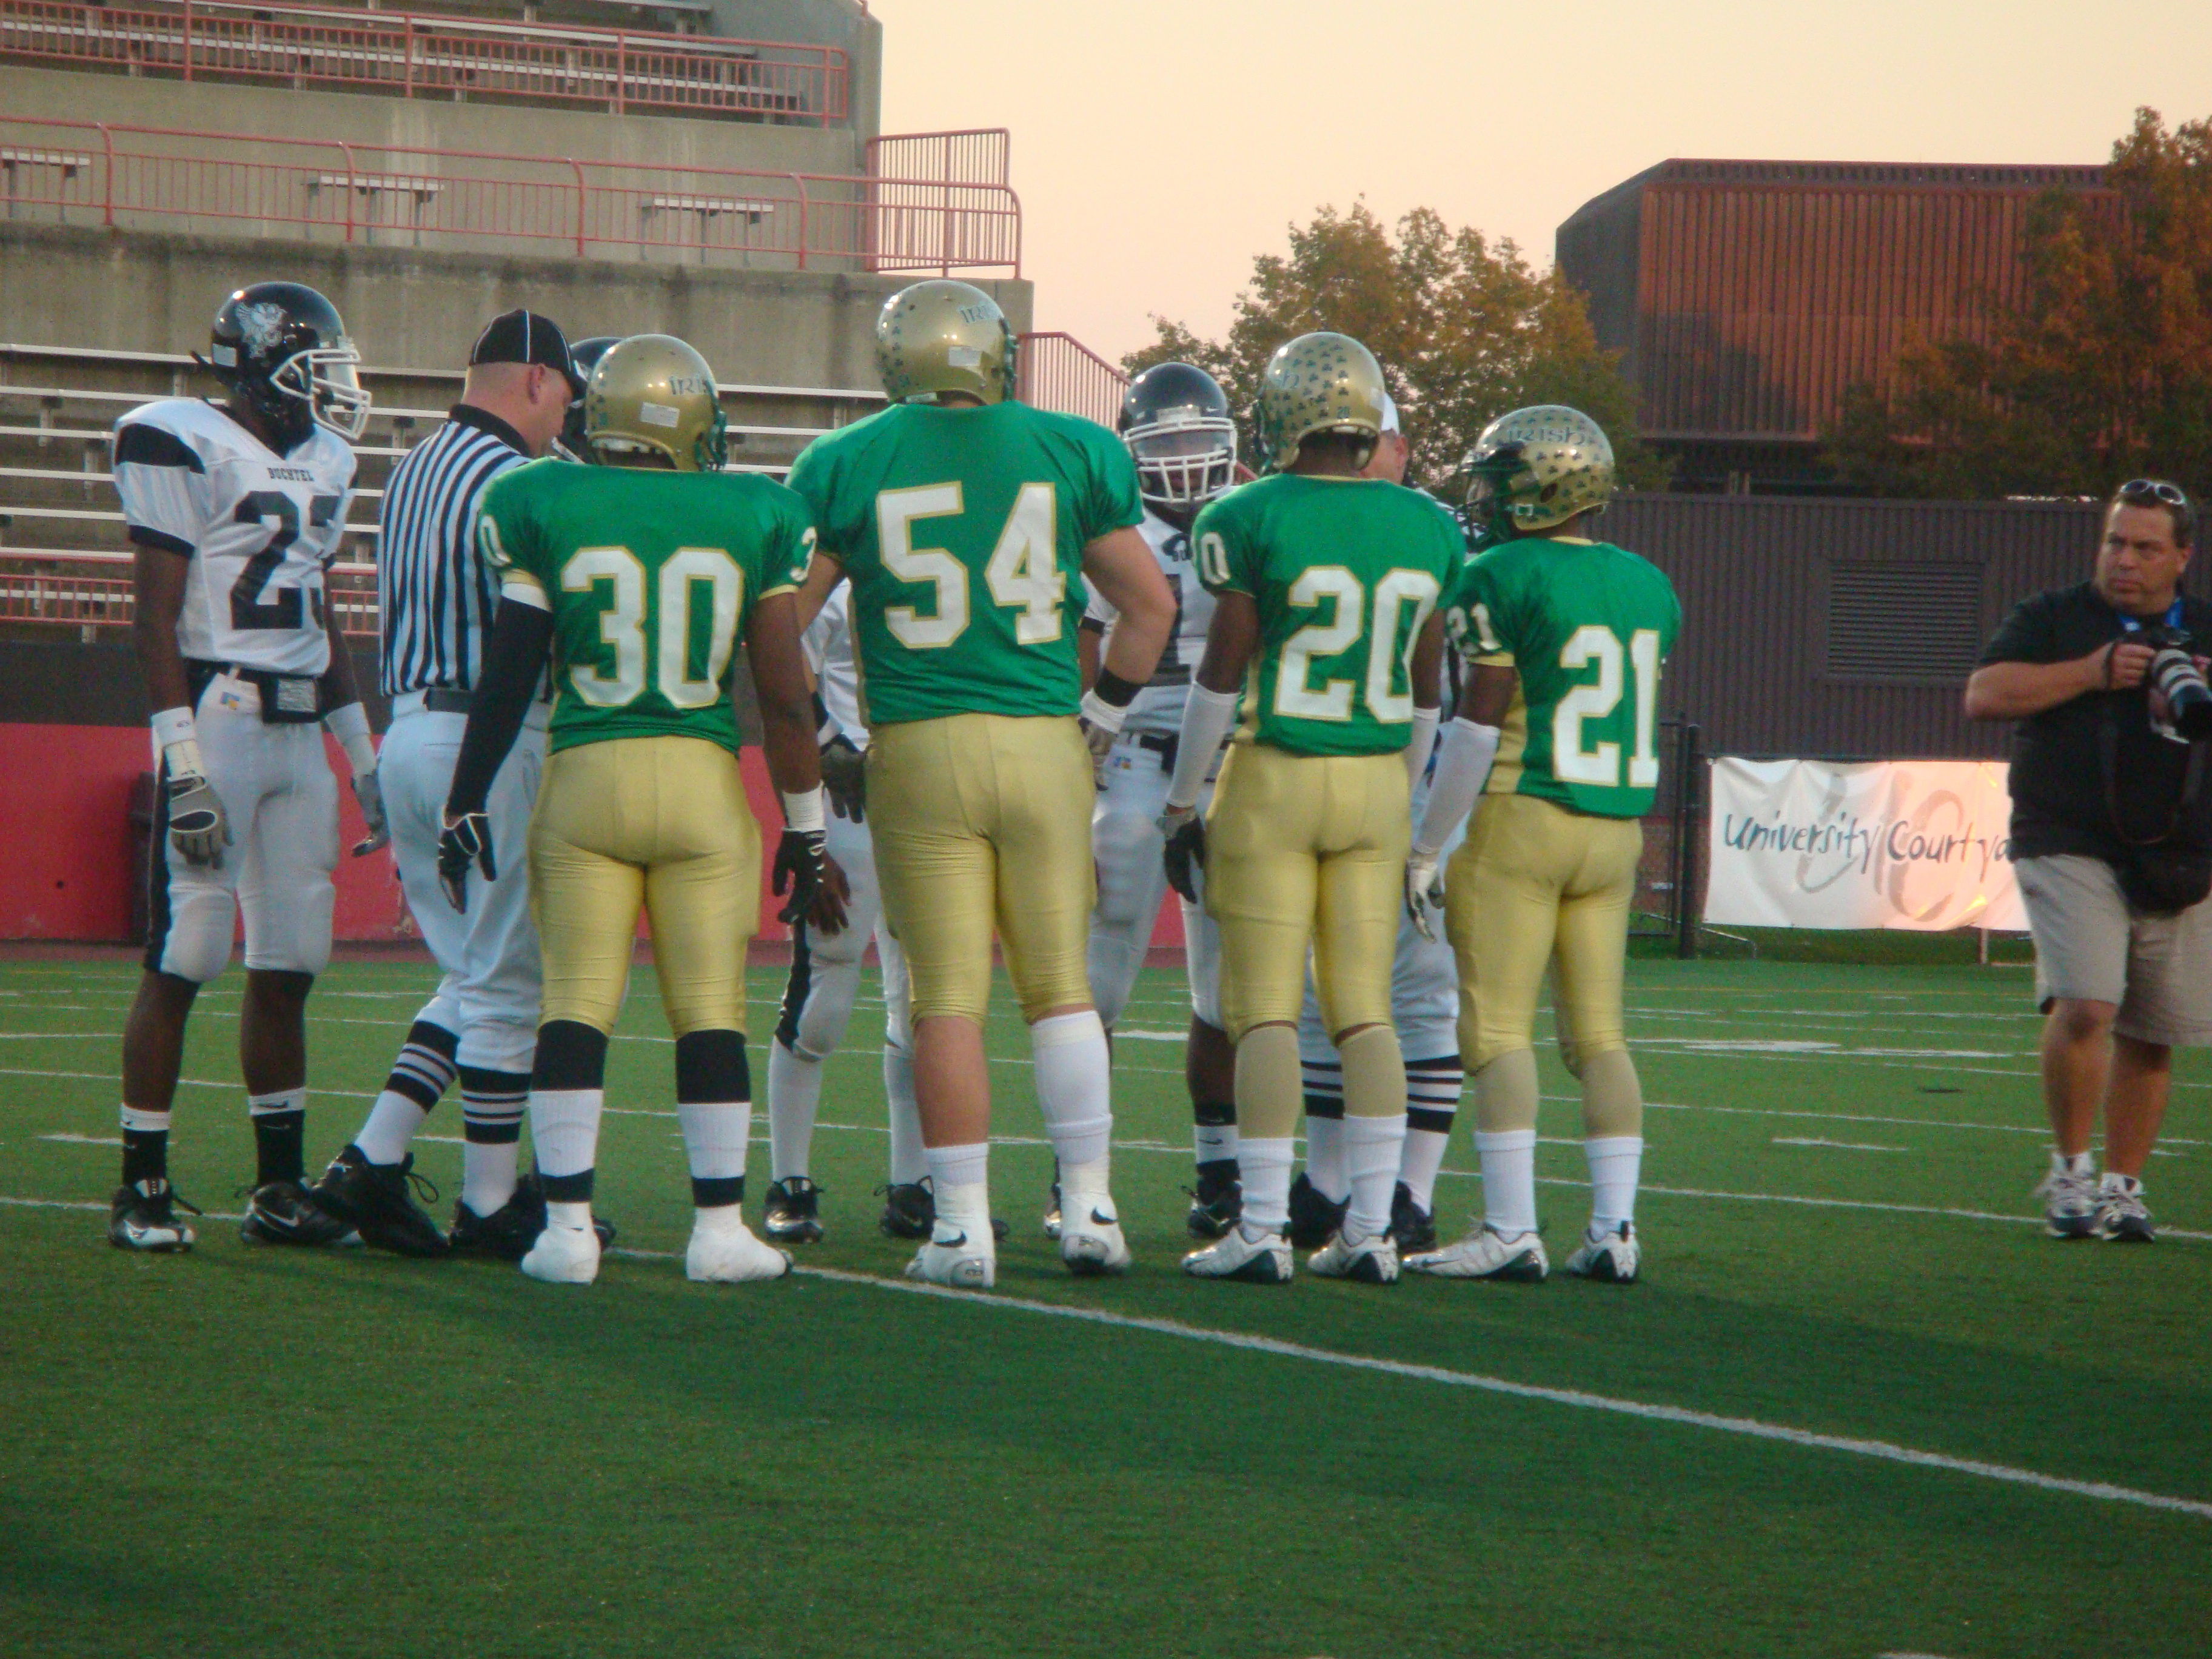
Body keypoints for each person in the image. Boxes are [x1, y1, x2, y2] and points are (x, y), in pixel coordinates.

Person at [787, 279, 1175, 1290]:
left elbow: (780, 624)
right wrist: (1097, 721)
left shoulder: (844, 461)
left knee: (945, 998)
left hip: (916, 747)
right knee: (1057, 989)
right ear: (997, 356)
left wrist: (813, 727)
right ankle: (1088, 1209)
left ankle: (961, 1228)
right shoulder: (1070, 447)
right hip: (1043, 743)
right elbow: (1150, 608)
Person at [437, 333, 839, 1285]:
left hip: (586, 778)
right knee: (708, 1010)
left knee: (575, 1004)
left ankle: (567, 1232)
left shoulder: (543, 501)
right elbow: (784, 697)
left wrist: (465, 800)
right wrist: (808, 826)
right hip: (700, 785)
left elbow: (507, 675)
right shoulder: (756, 510)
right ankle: (719, 1232)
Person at [1165, 332, 1458, 1287]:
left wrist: (1183, 799)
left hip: (1276, 776)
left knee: (1263, 1014)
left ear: (1280, 414)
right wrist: (1408, 806)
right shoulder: (1429, 524)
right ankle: (1370, 1231)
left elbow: (1220, 672)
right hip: (1377, 782)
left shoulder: (1248, 511)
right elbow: (1427, 692)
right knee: (1366, 1013)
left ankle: (1259, 1224)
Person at [106, 281, 381, 1253]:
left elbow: (324, 612)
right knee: (186, 954)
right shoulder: (182, 439)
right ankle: (142, 1184)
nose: (329, 386)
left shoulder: (328, 456)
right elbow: (154, 616)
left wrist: (362, 752)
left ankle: (277, 1187)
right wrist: (177, 757)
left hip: (301, 729)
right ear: (261, 366)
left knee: (291, 960)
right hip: (217, 713)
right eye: (313, 364)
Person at [309, 309, 586, 1259]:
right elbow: (540, 624)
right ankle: (488, 1201)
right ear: (539, 382)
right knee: (509, 985)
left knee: (472, 975)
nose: (564, 423)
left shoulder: (414, 465)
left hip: (411, 729)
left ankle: (370, 1162)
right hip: (490, 737)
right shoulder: (523, 478)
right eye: (563, 402)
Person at [1404, 405, 1680, 1286]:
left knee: (1496, 1033)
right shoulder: (1650, 584)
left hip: (1523, 817)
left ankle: (1510, 1226)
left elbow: (1477, 731)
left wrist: (1425, 845)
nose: (1486, 495)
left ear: (1540, 484)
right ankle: (1615, 1229)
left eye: (1500, 477)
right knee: (1599, 1036)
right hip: (1616, 833)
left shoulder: (1497, 574)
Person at [1964, 479, 2211, 1244]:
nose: (2125, 561)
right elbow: (1984, 694)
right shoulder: (2052, 617)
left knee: (2152, 1029)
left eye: (2145, 547)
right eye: (2114, 541)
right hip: (2065, 836)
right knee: (2089, 1002)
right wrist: (2097, 670)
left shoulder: (2203, 628)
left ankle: (2122, 1188)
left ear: (2182, 557)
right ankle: (2071, 1171)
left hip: (2178, 853)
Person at [1287, 394, 1468, 1256]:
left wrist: (1434, 816)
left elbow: (1458, 683)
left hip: (1419, 784)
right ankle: (1327, 1185)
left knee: (1421, 994)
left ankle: (1411, 1194)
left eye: (1375, 442)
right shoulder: (1318, 515)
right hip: (1349, 781)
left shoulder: (1439, 528)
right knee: (1327, 989)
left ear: (1398, 446)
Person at [1074, 361, 1242, 1241]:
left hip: (1224, 766)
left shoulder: (1248, 518)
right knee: (1102, 971)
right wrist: (1087, 744)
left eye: (1196, 440)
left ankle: (1221, 1171)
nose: (1182, 459)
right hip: (1135, 750)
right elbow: (1086, 638)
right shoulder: (1114, 523)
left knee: (1224, 989)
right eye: (1165, 441)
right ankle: (1083, 1172)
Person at [760, 580, 930, 1244]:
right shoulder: (836, 572)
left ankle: (914, 1184)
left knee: (925, 1000)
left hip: (930, 789)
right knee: (824, 997)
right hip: (849, 792)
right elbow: (780, 665)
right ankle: (790, 1181)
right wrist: (811, 821)